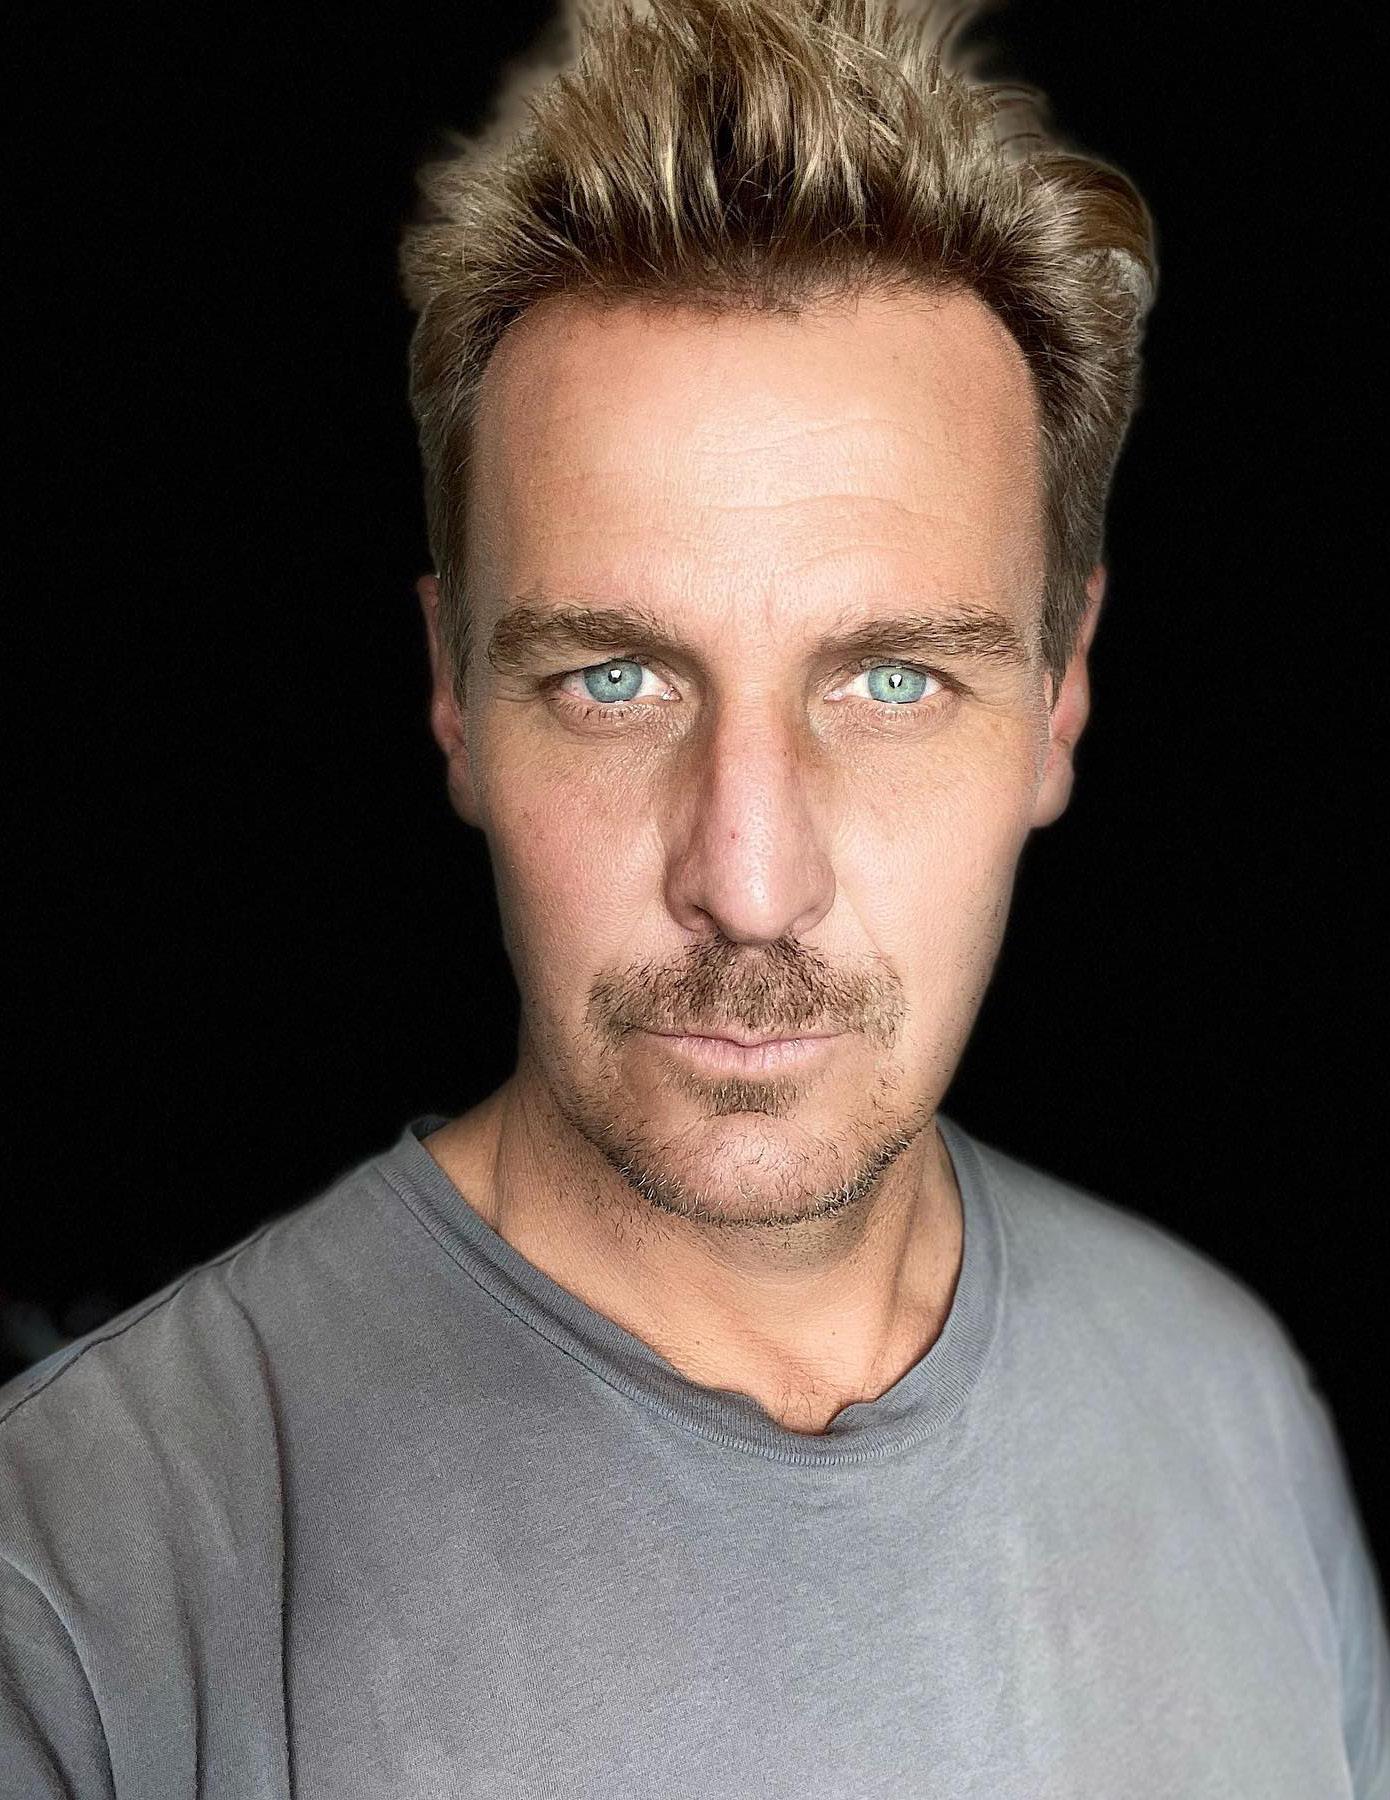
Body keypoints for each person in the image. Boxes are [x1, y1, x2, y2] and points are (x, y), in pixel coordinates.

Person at [3, 0, 1386, 1792]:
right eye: (614, 680)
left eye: (890, 680)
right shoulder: (76, 1568)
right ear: (453, 693)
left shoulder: (1227, 1400)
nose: (745, 881)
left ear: (1059, 696)